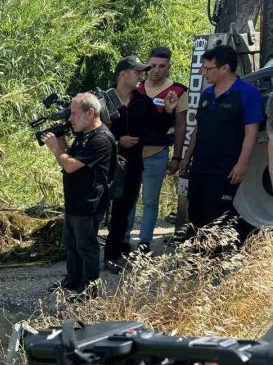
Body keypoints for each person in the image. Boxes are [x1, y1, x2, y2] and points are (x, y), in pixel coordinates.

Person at [104, 56, 179, 269]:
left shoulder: (142, 101)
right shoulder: (105, 100)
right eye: (137, 72)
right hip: (105, 163)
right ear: (123, 75)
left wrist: (168, 110)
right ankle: (86, 254)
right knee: (97, 210)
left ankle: (113, 255)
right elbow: (93, 130)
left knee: (124, 209)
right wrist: (119, 142)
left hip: (132, 165)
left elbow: (159, 127)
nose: (141, 76)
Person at [179, 45, 263, 231]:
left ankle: (217, 257)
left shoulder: (247, 94)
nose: (203, 73)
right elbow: (198, 128)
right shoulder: (206, 94)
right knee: (196, 214)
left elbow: (252, 132)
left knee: (219, 216)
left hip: (226, 168)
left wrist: (242, 163)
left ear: (225, 68)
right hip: (200, 166)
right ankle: (196, 256)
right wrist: (186, 158)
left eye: (208, 69)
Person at [43, 93, 115, 293]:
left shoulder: (101, 138)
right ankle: (72, 279)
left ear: (90, 113)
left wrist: (56, 149)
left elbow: (70, 166)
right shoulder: (84, 134)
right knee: (72, 244)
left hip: (89, 202)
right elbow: (71, 156)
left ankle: (90, 289)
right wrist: (61, 140)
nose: (70, 119)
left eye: (74, 114)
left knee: (87, 248)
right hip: (75, 199)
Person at [128, 47, 188, 253]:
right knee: (128, 199)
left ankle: (144, 242)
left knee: (150, 201)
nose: (156, 70)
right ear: (146, 65)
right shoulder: (135, 87)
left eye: (161, 66)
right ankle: (124, 240)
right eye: (152, 65)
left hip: (157, 152)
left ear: (168, 66)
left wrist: (177, 156)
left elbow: (181, 126)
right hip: (131, 153)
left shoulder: (178, 91)